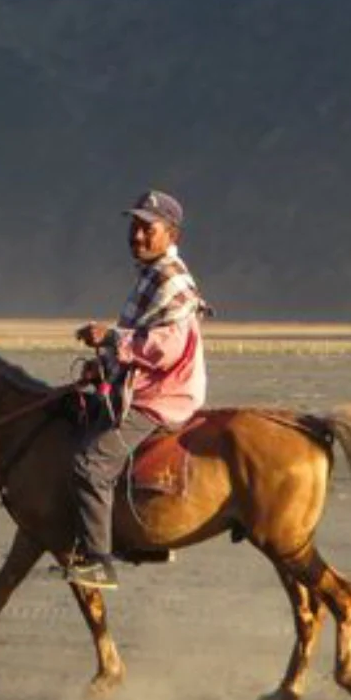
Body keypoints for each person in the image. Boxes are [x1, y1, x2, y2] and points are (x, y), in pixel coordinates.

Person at [63, 189, 209, 590]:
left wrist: (111, 339)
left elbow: (165, 348)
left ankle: (98, 561)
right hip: (147, 386)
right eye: (134, 226)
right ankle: (135, 539)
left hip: (161, 397)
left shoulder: (171, 280)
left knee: (91, 463)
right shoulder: (151, 276)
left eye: (148, 228)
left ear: (171, 233)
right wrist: (104, 366)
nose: (138, 235)